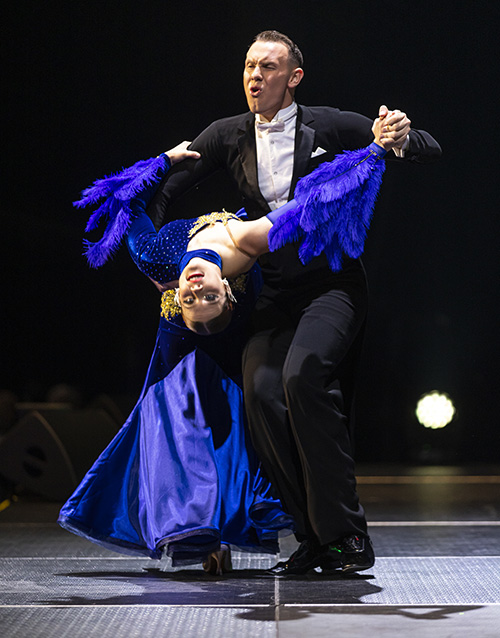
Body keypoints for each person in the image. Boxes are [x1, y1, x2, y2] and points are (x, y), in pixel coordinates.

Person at [145, 30, 442, 575]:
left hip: (332, 286)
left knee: (302, 376)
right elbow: (162, 192)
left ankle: (347, 538)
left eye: (269, 67)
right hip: (275, 294)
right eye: (249, 66)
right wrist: (164, 268)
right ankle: (310, 537)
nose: (255, 76)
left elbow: (424, 146)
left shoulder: (328, 125)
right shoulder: (227, 134)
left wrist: (397, 137)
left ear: (294, 77)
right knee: (260, 393)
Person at [58, 143, 296, 575]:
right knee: (185, 429)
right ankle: (204, 533)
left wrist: (163, 161)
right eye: (205, 295)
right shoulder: (245, 247)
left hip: (215, 344)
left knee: (219, 430)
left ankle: (209, 531)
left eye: (191, 296)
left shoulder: (157, 258)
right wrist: (370, 153)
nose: (196, 285)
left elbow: (128, 205)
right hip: (190, 342)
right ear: (228, 290)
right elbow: (303, 207)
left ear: (175, 296)